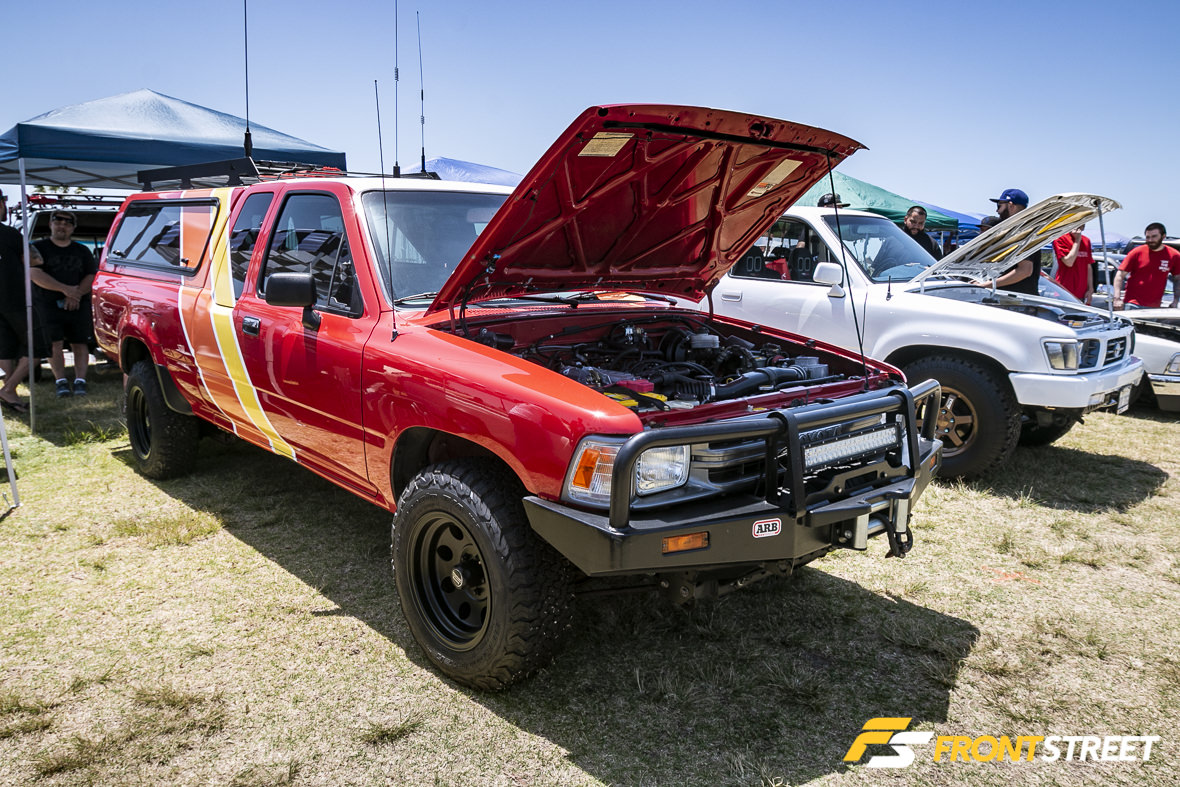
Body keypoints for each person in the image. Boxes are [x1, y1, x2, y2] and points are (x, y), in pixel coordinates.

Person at [30, 210, 97, 397]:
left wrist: (76, 295)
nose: (62, 226)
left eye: (67, 223)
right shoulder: (38, 248)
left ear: (73, 228)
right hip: (47, 305)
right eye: (58, 222)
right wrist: (66, 290)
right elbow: (34, 273)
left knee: (80, 343)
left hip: (78, 304)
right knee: (54, 344)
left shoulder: (82, 250)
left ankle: (80, 381)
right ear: (50, 225)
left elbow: (91, 275)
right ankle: (61, 381)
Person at [0, 197, 48, 413]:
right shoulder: (9, 234)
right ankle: (8, 389)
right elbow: (36, 259)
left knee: (5, 349)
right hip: (17, 298)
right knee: (38, 346)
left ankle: (11, 394)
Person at [978, 188, 1040, 294]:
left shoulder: (1022, 232)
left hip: (1017, 300)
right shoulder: (1015, 231)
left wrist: (985, 285)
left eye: (999, 206)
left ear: (1011, 205)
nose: (997, 211)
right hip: (1011, 298)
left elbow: (1025, 271)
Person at [1113, 222, 1180, 309]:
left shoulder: (1174, 255)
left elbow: (1177, 279)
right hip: (1132, 304)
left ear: (1163, 236)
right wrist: (1117, 298)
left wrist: (1175, 301)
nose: (1150, 240)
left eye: (1154, 236)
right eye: (1148, 237)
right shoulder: (1137, 252)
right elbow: (1119, 275)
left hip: (1155, 307)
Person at [1052, 224, 1095, 303]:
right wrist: (1077, 241)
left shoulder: (1086, 240)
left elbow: (1088, 266)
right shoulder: (1060, 239)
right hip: (1064, 292)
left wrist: (1090, 289)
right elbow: (1069, 262)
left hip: (1082, 293)